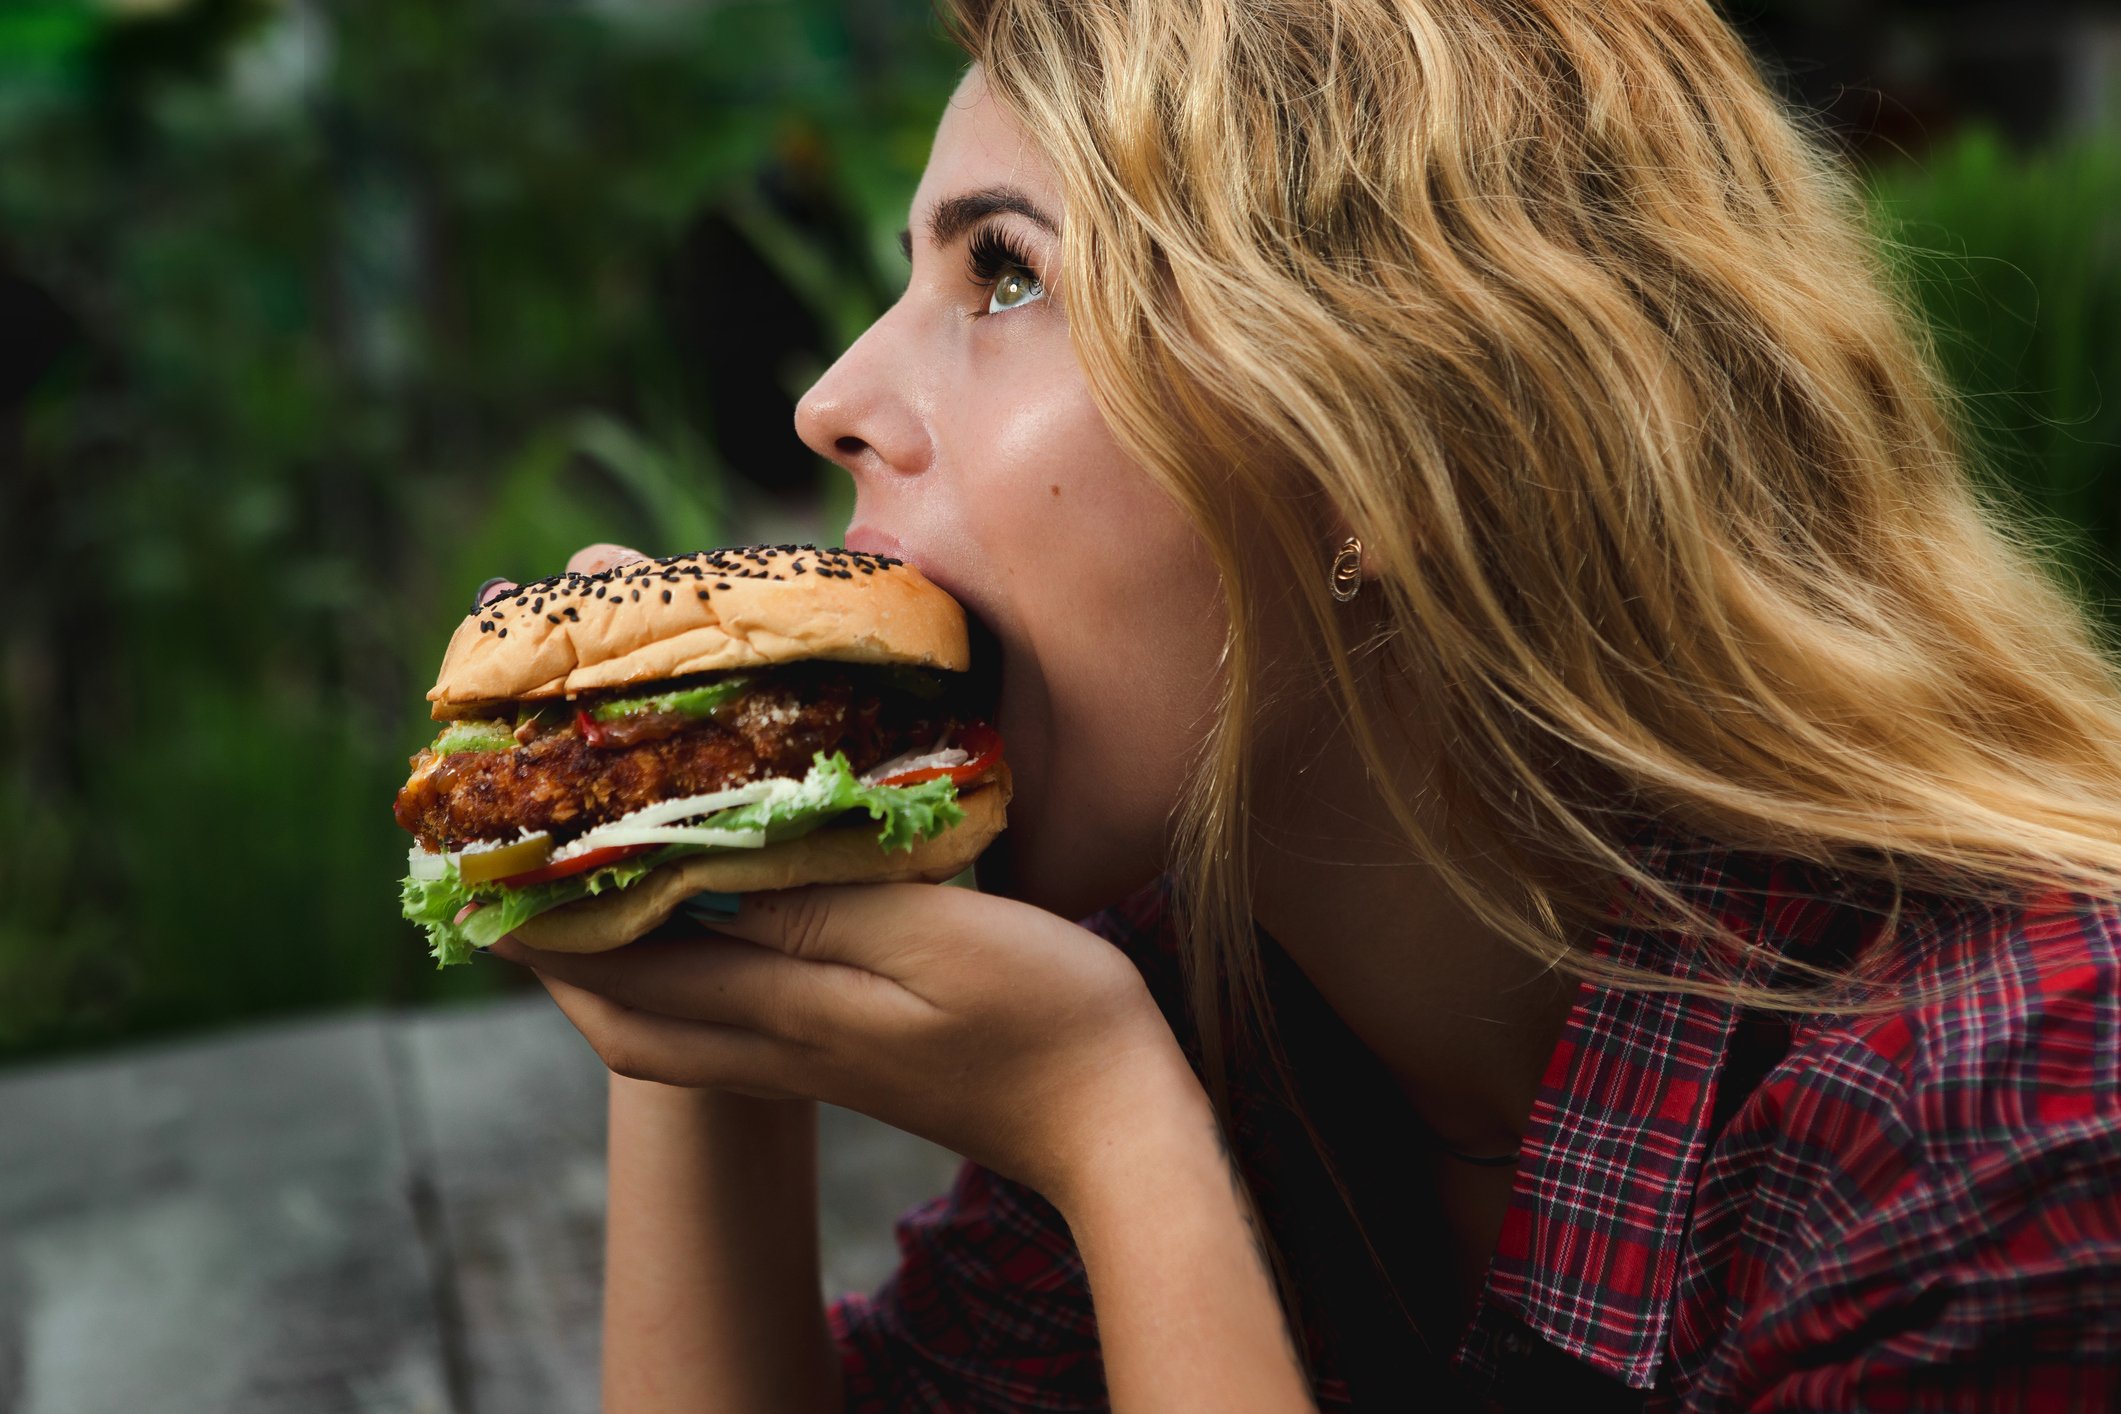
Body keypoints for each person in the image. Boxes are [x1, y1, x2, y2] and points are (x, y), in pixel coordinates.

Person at [476, 0, 2121, 1408]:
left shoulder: (2017, 1121)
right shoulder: (1231, 992)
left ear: (1371, 446)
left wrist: (1113, 1134)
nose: (831, 399)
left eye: (1000, 276)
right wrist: (685, 902)